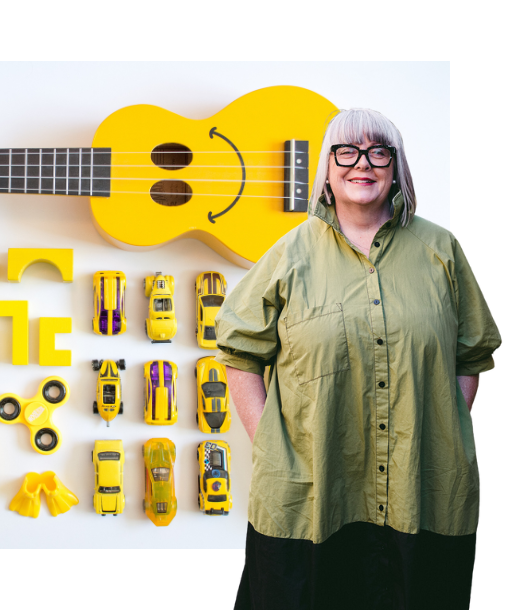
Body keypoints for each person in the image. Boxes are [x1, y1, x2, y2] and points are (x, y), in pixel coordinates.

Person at [215, 108, 501, 610]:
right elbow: (239, 352)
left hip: (423, 493)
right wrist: (271, 446)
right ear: (326, 168)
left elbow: (469, 354)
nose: (362, 163)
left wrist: (436, 431)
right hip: (312, 498)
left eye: (378, 151)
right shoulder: (290, 254)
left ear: (396, 166)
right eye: (346, 151)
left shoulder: (441, 251)